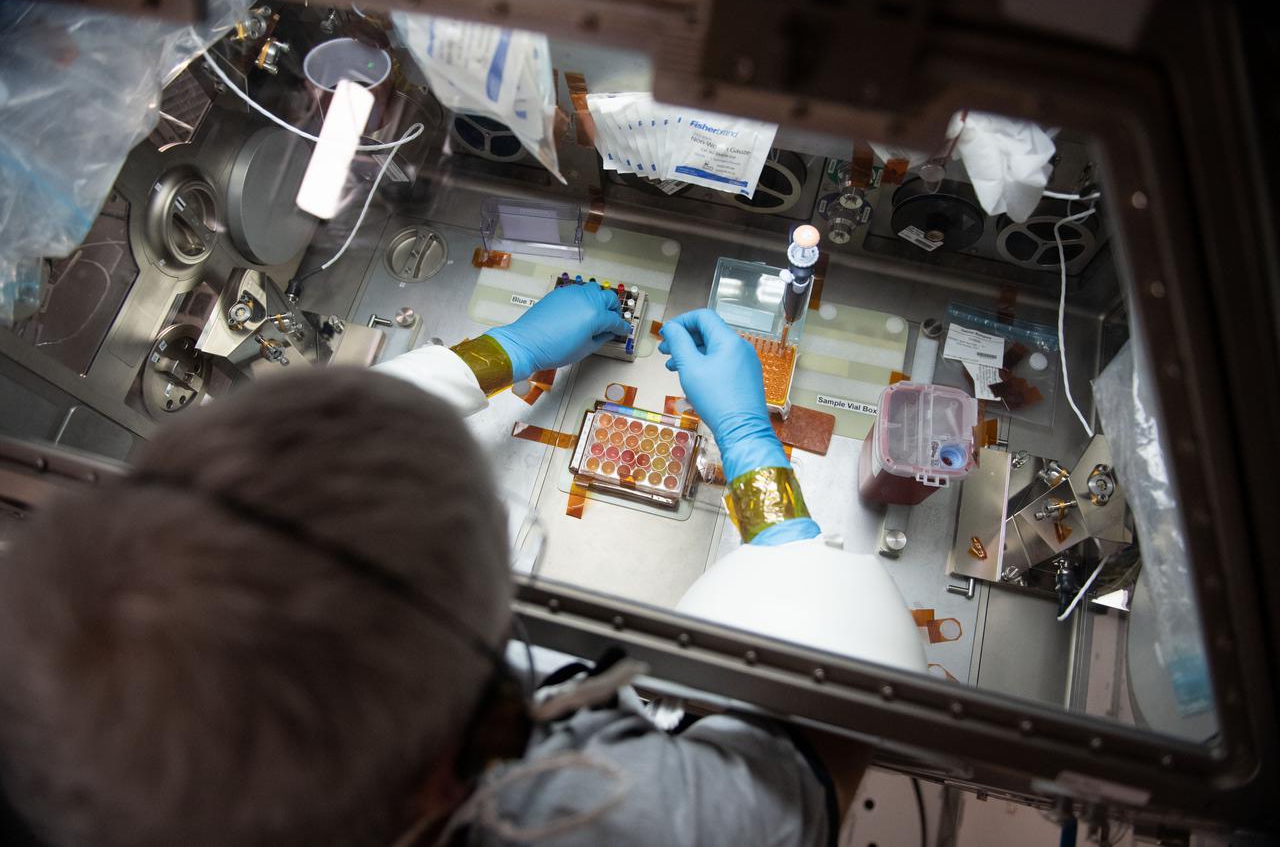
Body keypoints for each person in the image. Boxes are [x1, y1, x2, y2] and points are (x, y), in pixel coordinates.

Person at [0, 282, 920, 847]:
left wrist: (500, 353)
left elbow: (288, 494)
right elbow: (817, 756)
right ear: (457, 767)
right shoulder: (605, 817)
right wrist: (762, 471)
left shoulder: (61, 727)